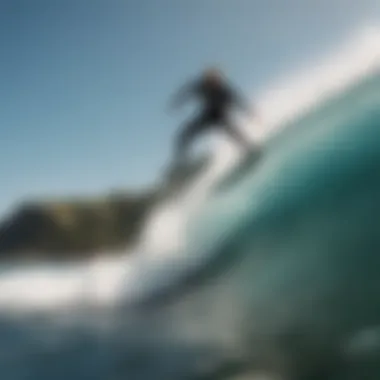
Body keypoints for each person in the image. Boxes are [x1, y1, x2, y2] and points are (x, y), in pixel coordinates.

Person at [169, 67, 254, 164]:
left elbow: (238, 101)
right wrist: (177, 102)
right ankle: (182, 154)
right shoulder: (200, 85)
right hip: (208, 114)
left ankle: (249, 149)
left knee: (232, 131)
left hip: (221, 114)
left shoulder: (224, 89)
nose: (213, 83)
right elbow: (187, 92)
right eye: (210, 81)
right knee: (188, 131)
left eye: (215, 81)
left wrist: (249, 112)